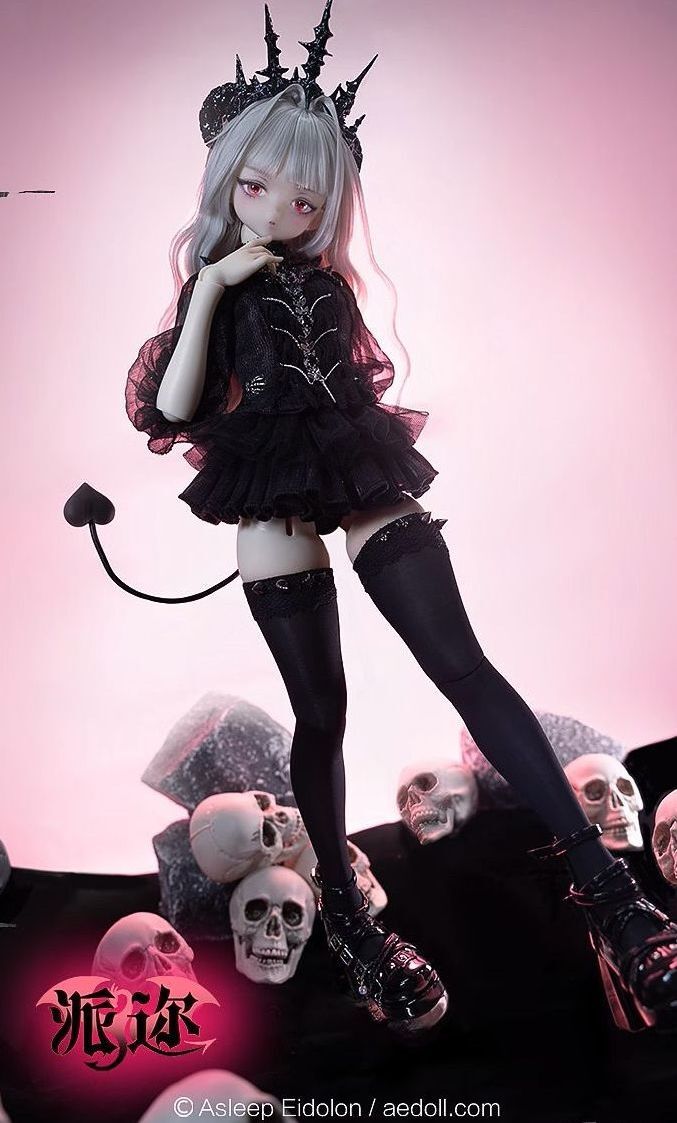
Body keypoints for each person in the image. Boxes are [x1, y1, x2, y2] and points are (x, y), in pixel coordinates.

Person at [125, 1, 677, 1035]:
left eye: (304, 197)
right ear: (226, 175)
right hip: (264, 483)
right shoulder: (220, 281)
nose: (279, 209)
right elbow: (172, 405)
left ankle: (610, 895)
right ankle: (346, 916)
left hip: (353, 458)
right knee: (322, 709)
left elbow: (347, 378)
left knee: (462, 662)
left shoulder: (328, 284)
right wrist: (210, 288)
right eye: (256, 185)